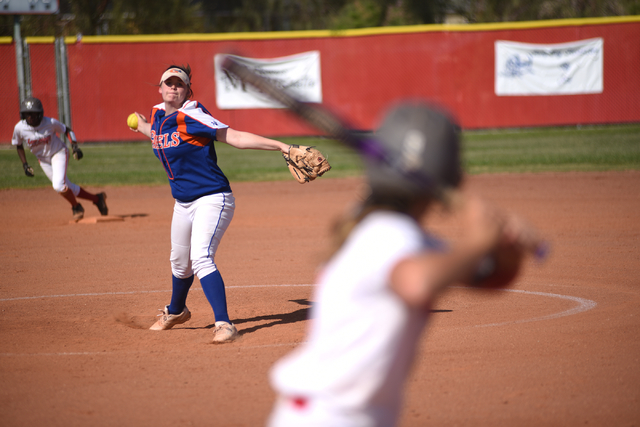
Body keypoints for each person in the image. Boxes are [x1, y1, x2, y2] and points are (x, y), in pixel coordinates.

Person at [267, 102, 543, 427]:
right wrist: (479, 240)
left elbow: (492, 276)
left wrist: (505, 248)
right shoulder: (388, 233)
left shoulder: (395, 234)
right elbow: (416, 282)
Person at [130, 64, 292, 343]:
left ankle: (225, 324)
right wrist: (140, 125)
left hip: (213, 197)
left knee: (201, 257)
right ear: (159, 89)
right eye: (168, 83)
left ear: (187, 91)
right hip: (182, 203)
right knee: (180, 265)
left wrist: (282, 146)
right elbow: (157, 135)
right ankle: (177, 310)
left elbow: (235, 137)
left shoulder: (193, 115)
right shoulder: (157, 114)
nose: (173, 87)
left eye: (179, 84)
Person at [12, 97, 109, 221]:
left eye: (33, 113)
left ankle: (76, 207)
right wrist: (25, 164)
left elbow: (67, 130)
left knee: (58, 186)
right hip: (43, 160)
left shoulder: (49, 123)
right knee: (66, 187)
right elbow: (18, 144)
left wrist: (75, 147)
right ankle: (98, 199)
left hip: (58, 153)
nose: (30, 117)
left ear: (40, 114)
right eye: (27, 114)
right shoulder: (19, 128)